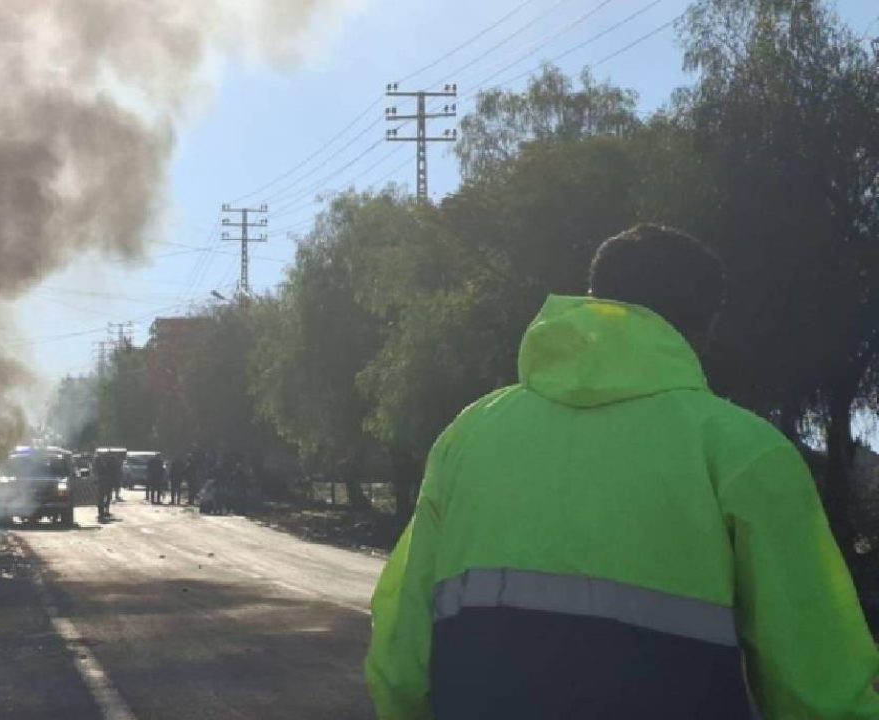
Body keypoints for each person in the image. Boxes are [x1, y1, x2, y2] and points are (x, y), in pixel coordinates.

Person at [366, 224, 879, 720]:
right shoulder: (744, 451)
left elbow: (401, 658)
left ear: (593, 297)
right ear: (707, 326)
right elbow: (819, 686)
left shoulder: (469, 435)